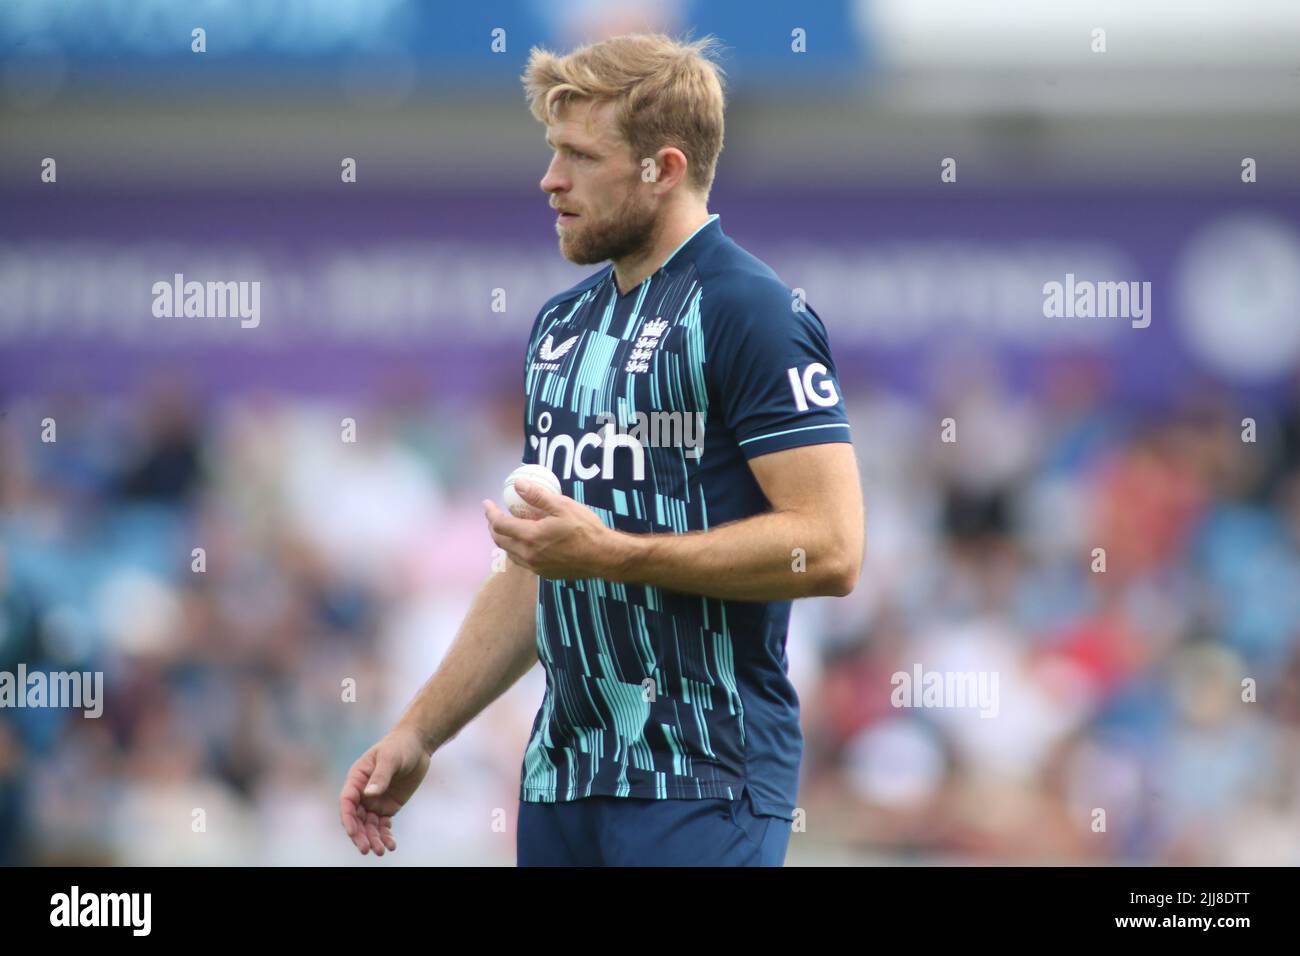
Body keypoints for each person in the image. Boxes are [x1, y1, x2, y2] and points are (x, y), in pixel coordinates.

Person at [340, 32, 864, 867]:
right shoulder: (560, 328)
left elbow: (833, 548)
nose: (551, 180)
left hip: (705, 775)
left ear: (663, 166)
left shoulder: (751, 312)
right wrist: (419, 731)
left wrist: (615, 554)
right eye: (554, 152)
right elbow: (539, 570)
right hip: (564, 780)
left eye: (580, 157)